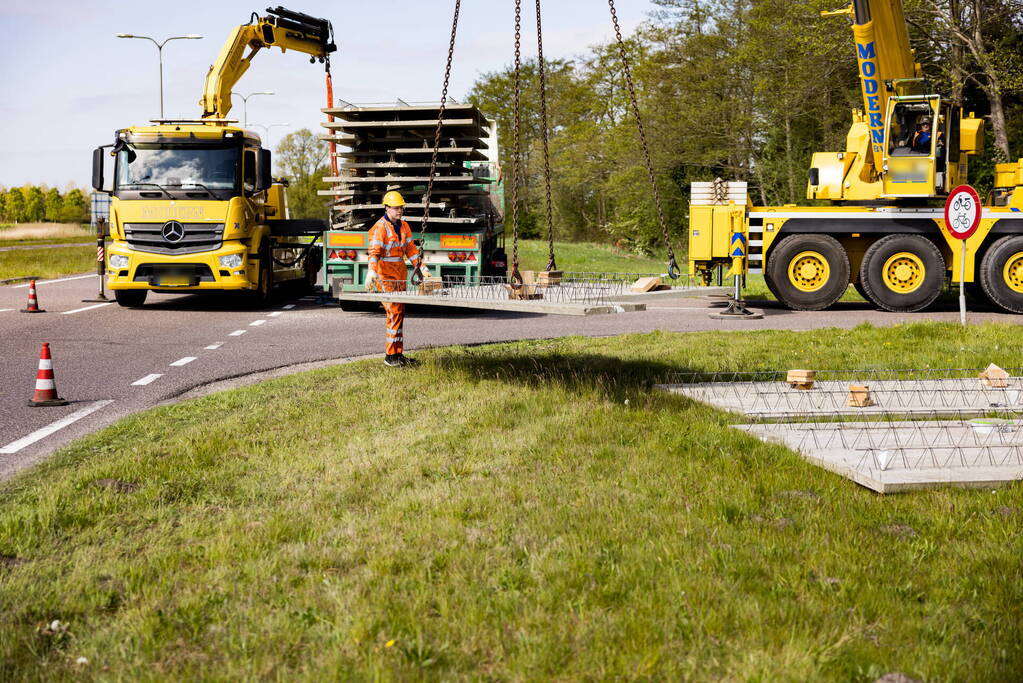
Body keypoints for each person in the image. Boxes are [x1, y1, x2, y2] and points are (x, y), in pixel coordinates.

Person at [365, 191, 429, 367]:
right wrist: (372, 271)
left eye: (401, 207)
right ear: (387, 208)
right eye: (396, 208)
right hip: (385, 277)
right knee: (393, 313)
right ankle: (390, 356)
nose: (399, 210)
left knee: (399, 313)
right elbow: (374, 252)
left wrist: (421, 267)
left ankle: (397, 354)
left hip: (399, 276)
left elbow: (410, 250)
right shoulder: (380, 228)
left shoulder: (404, 226)